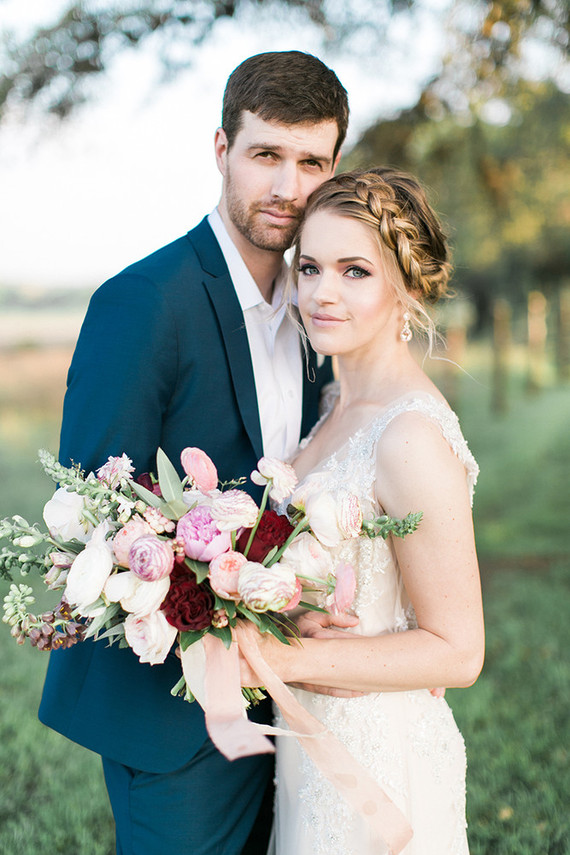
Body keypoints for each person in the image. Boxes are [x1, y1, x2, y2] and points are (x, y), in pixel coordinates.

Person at [38, 51, 349, 855]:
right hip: (171, 719)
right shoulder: (144, 302)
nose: (287, 186)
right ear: (221, 150)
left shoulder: (319, 315)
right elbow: (94, 511)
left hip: (287, 693)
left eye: (311, 162)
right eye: (266, 154)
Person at [238, 167, 485, 854]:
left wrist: (278, 657)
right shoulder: (331, 406)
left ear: (406, 286)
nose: (322, 292)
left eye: (355, 271)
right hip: (313, 749)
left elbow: (459, 651)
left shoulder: (409, 436)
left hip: (381, 757)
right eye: (310, 267)